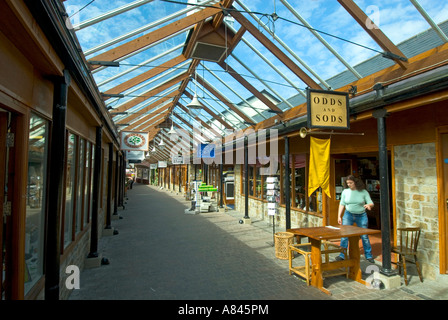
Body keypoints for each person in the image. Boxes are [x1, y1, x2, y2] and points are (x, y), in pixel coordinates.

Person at [335, 175, 375, 263]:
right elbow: (342, 204)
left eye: (350, 183)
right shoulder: (345, 191)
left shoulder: (363, 192)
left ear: (356, 182)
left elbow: (371, 203)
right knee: (345, 235)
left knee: (364, 236)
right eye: (347, 183)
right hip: (348, 214)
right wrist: (339, 216)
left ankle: (368, 255)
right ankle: (342, 254)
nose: (349, 184)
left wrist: (369, 205)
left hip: (361, 215)